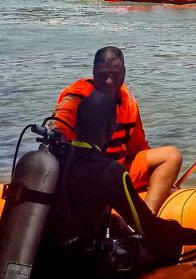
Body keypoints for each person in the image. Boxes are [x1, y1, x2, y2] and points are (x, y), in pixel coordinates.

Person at [35, 91, 196, 279]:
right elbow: (149, 228)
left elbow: (71, 207)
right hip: (78, 275)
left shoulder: (50, 160)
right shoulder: (109, 171)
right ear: (111, 126)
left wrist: (113, 220)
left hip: (41, 269)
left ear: (76, 123)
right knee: (164, 244)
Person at [50, 47, 182, 213]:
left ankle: (147, 214)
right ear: (93, 72)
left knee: (172, 155)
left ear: (124, 72)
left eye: (115, 74)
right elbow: (58, 127)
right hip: (85, 175)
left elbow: (138, 149)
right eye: (103, 74)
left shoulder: (128, 103)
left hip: (118, 170)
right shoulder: (76, 99)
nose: (109, 81)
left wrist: (157, 179)